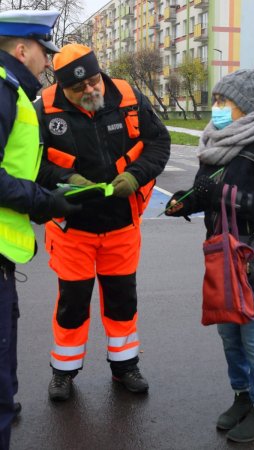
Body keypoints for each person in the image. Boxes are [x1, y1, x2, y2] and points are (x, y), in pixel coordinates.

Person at [165, 61, 254, 443]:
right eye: (216, 99)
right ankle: (241, 396)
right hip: (221, 255)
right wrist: (184, 203)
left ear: (247, 106)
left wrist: (222, 195)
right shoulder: (214, 143)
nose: (217, 106)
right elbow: (204, 192)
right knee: (228, 335)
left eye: (225, 101)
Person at [34, 43, 171, 401]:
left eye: (93, 81)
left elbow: (159, 142)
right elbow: (31, 164)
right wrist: (66, 179)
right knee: (73, 303)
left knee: (122, 300)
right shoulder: (43, 110)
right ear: (62, 87)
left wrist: (136, 176)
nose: (90, 91)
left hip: (122, 224)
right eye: (78, 88)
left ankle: (124, 366)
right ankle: (64, 371)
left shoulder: (127, 95)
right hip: (72, 229)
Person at [0, 10, 81, 450]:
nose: (48, 63)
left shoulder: (13, 92)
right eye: (44, 53)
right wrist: (44, 203)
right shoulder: (3, 89)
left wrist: (54, 185)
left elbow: (18, 166)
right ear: (21, 49)